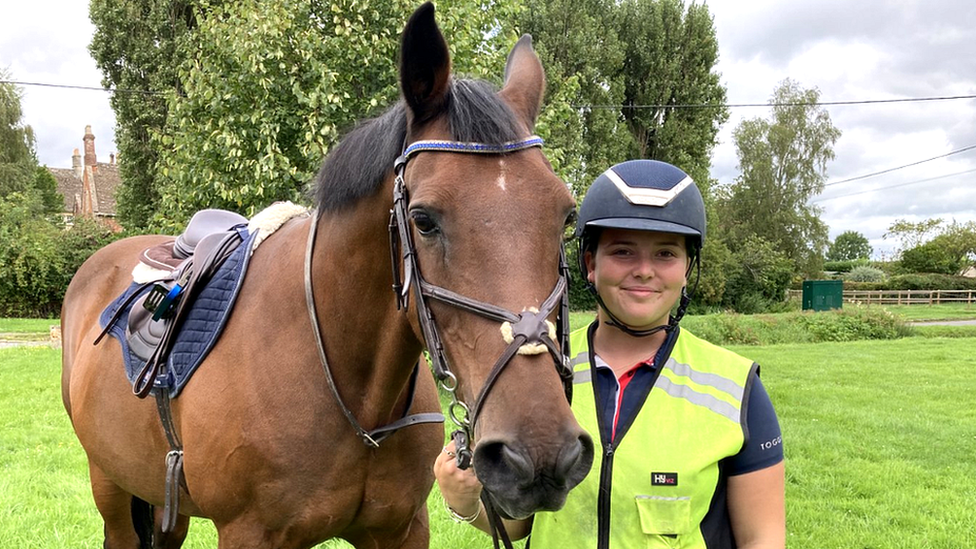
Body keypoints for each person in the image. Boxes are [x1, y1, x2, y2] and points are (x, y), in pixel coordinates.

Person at [434, 159, 785, 549]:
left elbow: (763, 538)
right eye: (623, 252)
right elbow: (522, 525)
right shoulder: (538, 370)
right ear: (590, 265)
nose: (645, 271)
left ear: (688, 268)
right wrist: (466, 502)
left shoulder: (737, 388)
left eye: (666, 254)